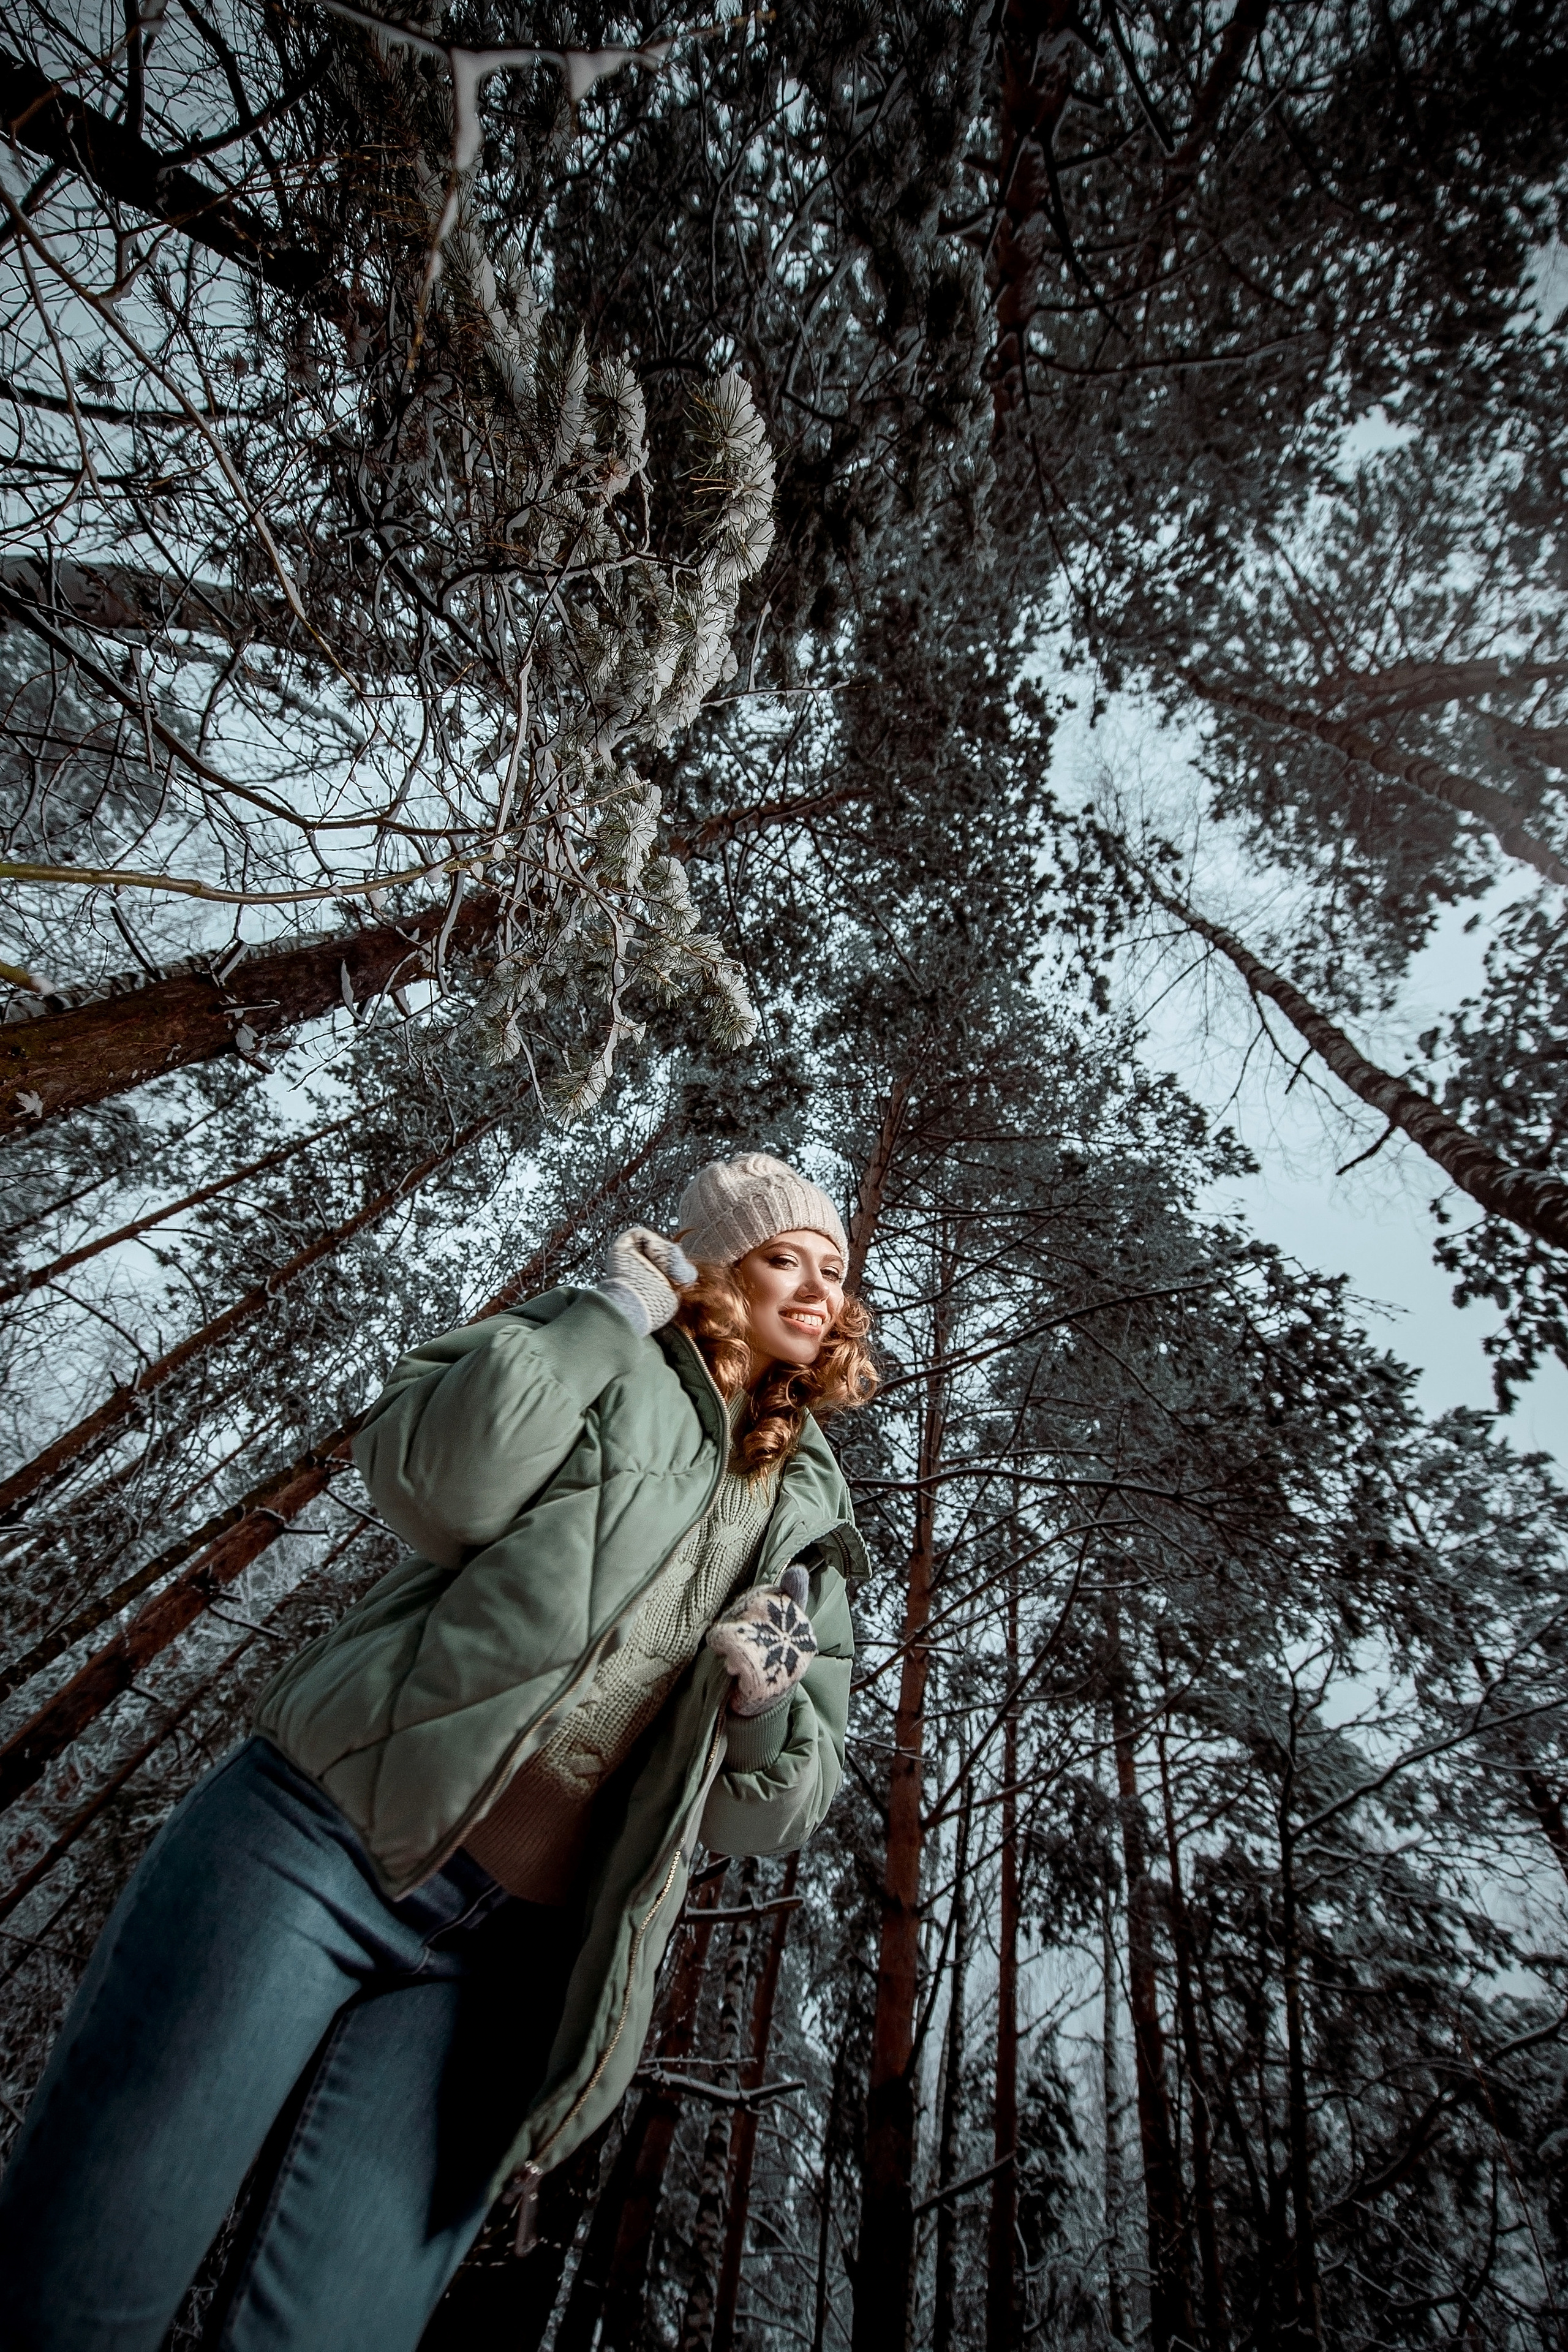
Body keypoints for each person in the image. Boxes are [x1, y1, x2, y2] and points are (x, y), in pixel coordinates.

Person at [0, 1151, 875, 2352]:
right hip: (319, 1839)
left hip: (509, 1975)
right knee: (81, 2281)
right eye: (785, 1256)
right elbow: (434, 1484)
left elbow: (769, 1811)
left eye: (834, 1269)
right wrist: (608, 1313)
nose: (819, 1287)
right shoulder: (614, 1356)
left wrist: (764, 1706)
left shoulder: (817, 1539)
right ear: (720, 1268)